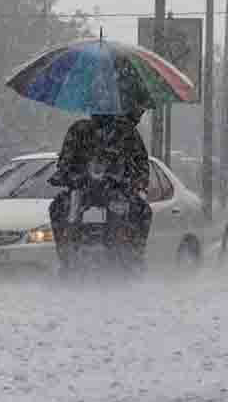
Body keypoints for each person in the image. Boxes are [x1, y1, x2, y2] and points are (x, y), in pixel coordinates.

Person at [48, 103, 153, 278]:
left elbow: (141, 164)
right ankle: (66, 254)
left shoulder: (127, 133)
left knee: (143, 211)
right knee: (57, 207)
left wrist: (134, 180)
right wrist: (66, 175)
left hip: (117, 191)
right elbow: (65, 162)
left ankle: (134, 255)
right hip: (82, 190)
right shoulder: (79, 130)